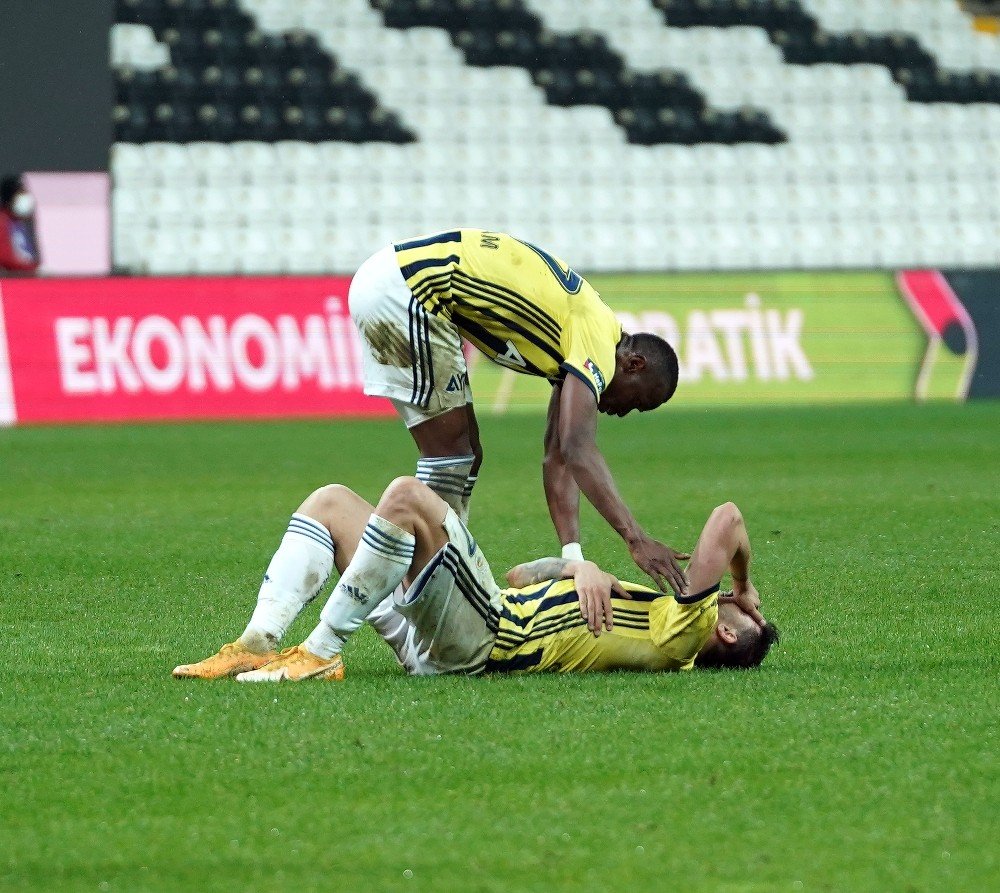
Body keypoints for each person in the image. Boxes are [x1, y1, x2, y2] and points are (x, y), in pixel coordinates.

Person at [173, 477, 778, 682]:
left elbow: (728, 519)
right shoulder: (643, 611)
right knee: (331, 503)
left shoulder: (682, 629)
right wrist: (574, 566)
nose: (730, 599)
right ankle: (255, 645)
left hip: (482, 636)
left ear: (725, 632)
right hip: (444, 632)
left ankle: (320, 652)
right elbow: (518, 575)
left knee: (409, 497)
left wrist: (745, 581)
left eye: (740, 611)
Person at [349, 229, 687, 594]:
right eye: (637, 402)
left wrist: (572, 557)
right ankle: (427, 587)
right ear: (633, 364)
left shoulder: (587, 338)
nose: (624, 412)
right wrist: (635, 538)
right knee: (450, 455)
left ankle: (442, 575)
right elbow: (578, 447)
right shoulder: (598, 347)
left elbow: (558, 458)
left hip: (401, 283)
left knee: (466, 456)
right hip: (408, 290)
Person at [0, 174, 41, 276]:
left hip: (24, 274)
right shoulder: (2, 222)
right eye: (20, 193)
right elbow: (6, 258)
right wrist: (29, 267)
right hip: (12, 278)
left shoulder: (21, 223)